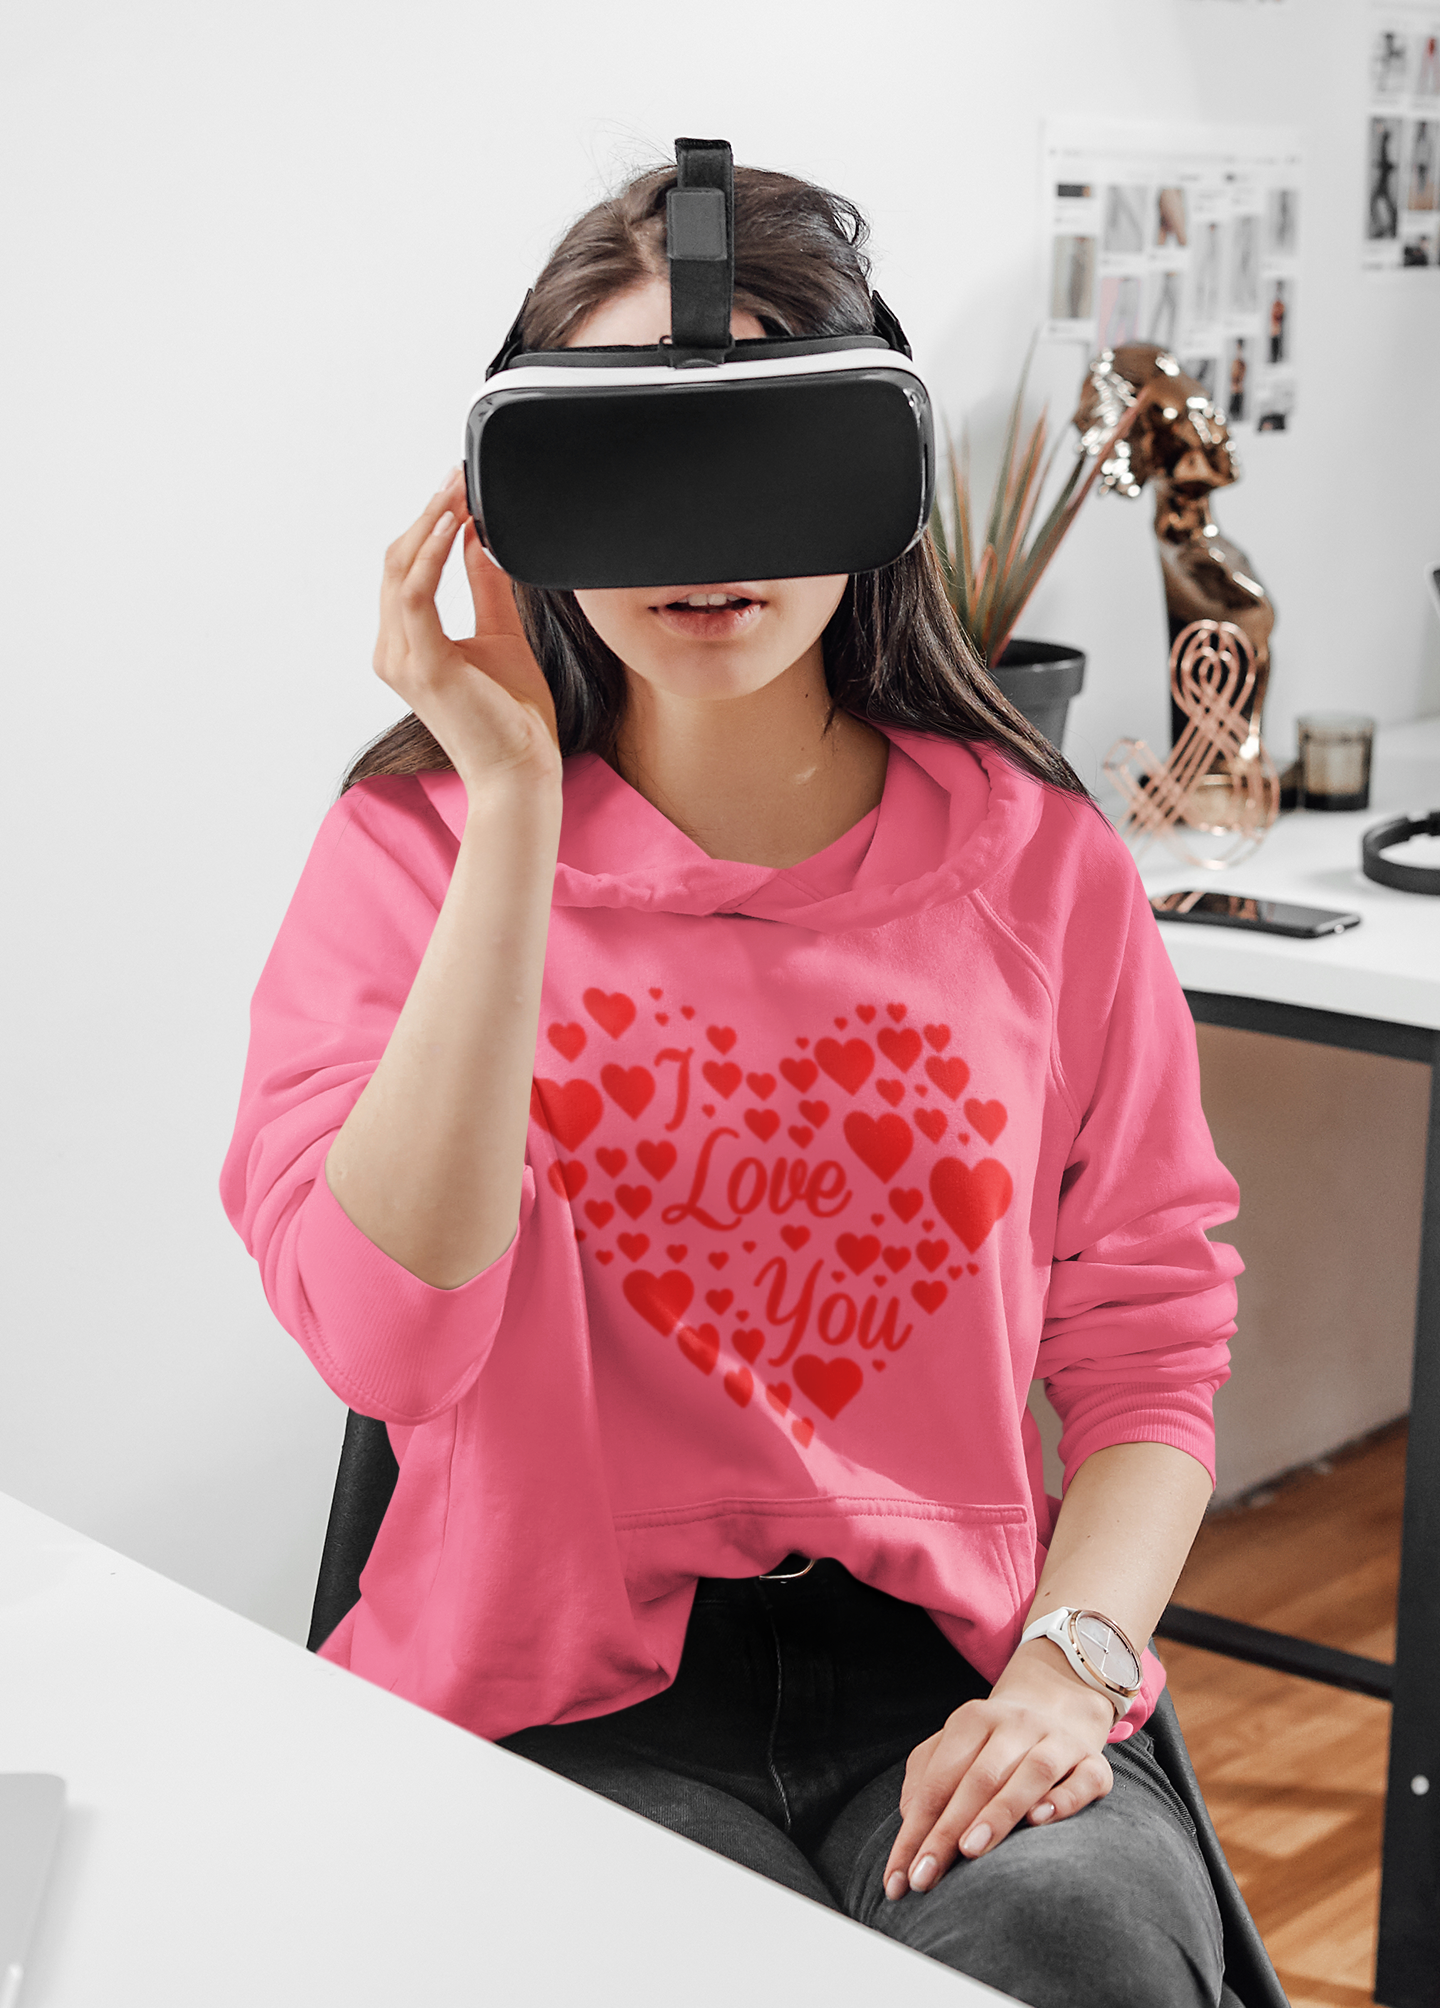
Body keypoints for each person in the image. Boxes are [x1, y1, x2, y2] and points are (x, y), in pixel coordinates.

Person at [220, 162, 1237, 2006]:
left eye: (767, 457)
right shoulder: (413, 854)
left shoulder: (1040, 862)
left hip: (953, 1670)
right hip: (553, 1694)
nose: (709, 544)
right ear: (526, 492)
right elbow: (386, 1343)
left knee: (1068, 1948)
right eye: (640, 462)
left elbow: (1149, 1344)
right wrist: (513, 803)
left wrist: (1067, 1671)